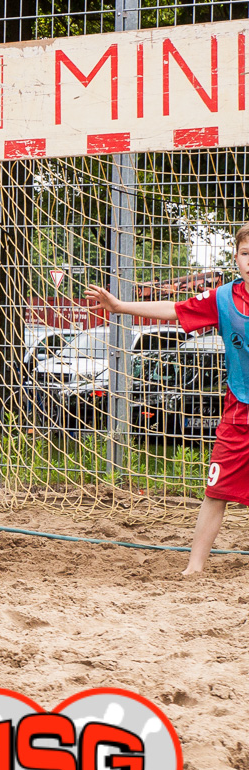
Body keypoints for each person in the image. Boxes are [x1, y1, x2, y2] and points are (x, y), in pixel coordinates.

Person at [89, 224, 249, 576]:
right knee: (215, 491)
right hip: (239, 411)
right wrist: (118, 306)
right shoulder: (223, 299)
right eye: (245, 253)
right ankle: (194, 569)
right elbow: (175, 310)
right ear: (236, 258)